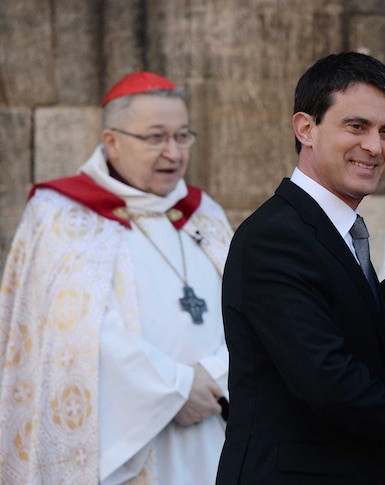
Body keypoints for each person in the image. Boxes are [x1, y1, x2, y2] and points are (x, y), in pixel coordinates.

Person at [0, 71, 234, 484]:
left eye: (183, 136)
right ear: (112, 141)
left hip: (214, 428)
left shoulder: (206, 214)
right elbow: (74, 332)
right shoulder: (60, 213)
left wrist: (218, 378)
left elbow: (248, 310)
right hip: (124, 447)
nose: (173, 153)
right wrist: (177, 389)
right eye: (155, 137)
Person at [215, 52, 385, 485]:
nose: (374, 146)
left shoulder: (340, 233)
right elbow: (326, 379)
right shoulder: (276, 237)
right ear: (306, 128)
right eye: (356, 126)